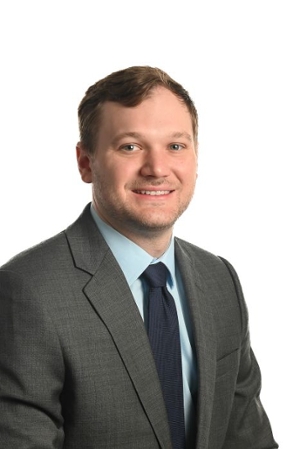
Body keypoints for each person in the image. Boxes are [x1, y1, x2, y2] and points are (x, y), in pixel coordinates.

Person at [0, 66, 278, 449]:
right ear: (86, 162)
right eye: (130, 146)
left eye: (176, 146)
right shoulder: (27, 292)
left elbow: (250, 440)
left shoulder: (220, 280)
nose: (157, 169)